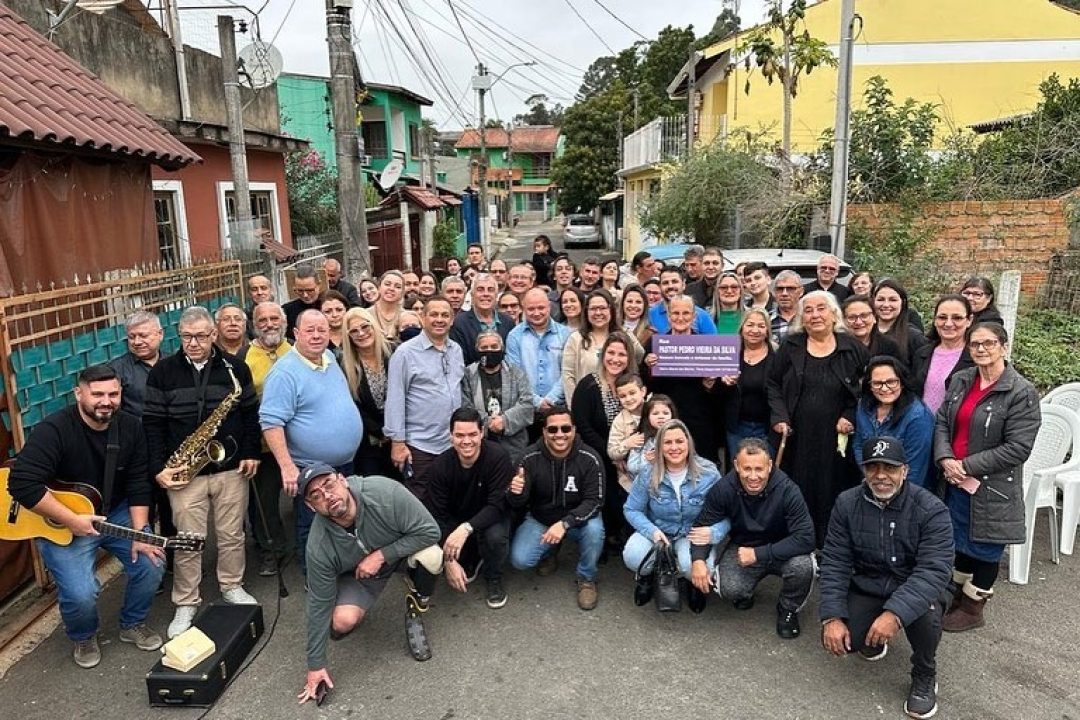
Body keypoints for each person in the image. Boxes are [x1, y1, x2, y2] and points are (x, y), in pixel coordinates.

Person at [8, 365, 165, 668]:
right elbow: (22, 483)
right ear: (79, 394)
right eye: (97, 394)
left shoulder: (131, 428)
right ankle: (83, 635)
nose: (106, 401)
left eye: (114, 394)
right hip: (64, 519)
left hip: (114, 511)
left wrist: (142, 530)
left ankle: (132, 624)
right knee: (81, 593)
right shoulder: (53, 430)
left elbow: (138, 482)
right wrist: (70, 519)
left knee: (152, 563)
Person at [144, 307, 262, 639]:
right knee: (188, 541)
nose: (193, 343)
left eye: (200, 336)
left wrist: (251, 451)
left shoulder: (235, 368)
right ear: (178, 335)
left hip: (229, 467)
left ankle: (232, 585)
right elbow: (151, 424)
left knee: (231, 534)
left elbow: (251, 415)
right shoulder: (163, 373)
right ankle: (185, 602)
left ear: (213, 334)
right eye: (186, 336)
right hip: (183, 472)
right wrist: (159, 469)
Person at [820, 436, 953, 720]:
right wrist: (832, 616)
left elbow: (933, 570)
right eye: (873, 467)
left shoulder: (931, 509)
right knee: (846, 642)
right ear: (864, 470)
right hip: (869, 584)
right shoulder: (846, 503)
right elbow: (834, 561)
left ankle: (924, 674)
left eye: (890, 468)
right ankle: (872, 638)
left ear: (904, 471)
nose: (881, 476)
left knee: (926, 617)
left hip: (913, 584)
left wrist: (894, 615)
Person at [297, 463, 443, 704]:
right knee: (342, 622)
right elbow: (318, 602)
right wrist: (315, 665)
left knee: (432, 556)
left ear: (342, 480)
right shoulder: (318, 545)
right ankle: (353, 604)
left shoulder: (384, 492)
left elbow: (430, 531)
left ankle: (417, 603)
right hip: (361, 574)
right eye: (316, 495)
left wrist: (382, 555)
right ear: (310, 507)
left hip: (400, 554)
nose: (327, 495)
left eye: (329, 484)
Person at [933, 322, 1040, 633]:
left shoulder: (1021, 391)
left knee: (985, 547)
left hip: (992, 486)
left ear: (1004, 346)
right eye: (975, 344)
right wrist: (945, 458)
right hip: (955, 478)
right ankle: (956, 596)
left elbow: (1018, 448)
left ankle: (973, 607)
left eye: (988, 343)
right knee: (959, 540)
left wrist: (965, 465)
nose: (981, 349)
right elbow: (942, 421)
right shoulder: (963, 379)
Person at [261, 309, 364, 576]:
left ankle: (341, 570)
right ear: (295, 334)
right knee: (314, 524)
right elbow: (271, 423)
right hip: (311, 467)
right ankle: (315, 578)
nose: (317, 336)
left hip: (343, 463)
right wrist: (286, 466)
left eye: (323, 330)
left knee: (343, 516)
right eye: (310, 330)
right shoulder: (284, 372)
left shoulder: (328, 357)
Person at [768, 291, 869, 548]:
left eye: (821, 309)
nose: (815, 315)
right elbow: (773, 384)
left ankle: (831, 542)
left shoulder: (852, 347)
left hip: (837, 435)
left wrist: (849, 415)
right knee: (799, 484)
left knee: (833, 486)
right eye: (809, 311)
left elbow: (867, 389)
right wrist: (779, 416)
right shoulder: (792, 346)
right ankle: (800, 539)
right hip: (797, 433)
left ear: (834, 314)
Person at [690, 437, 815, 637]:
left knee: (803, 566)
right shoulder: (723, 488)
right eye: (747, 469)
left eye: (759, 469)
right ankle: (746, 591)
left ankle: (788, 608)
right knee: (728, 589)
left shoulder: (788, 490)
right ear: (736, 466)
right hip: (743, 546)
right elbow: (702, 525)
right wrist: (697, 561)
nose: (753, 476)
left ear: (770, 466)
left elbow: (807, 538)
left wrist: (759, 554)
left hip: (782, 549)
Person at [622, 419, 727, 613]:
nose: (674, 447)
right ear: (660, 447)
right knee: (633, 556)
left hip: (692, 535)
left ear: (689, 442)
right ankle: (647, 576)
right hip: (659, 531)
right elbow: (631, 509)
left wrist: (713, 533)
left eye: (679, 441)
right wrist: (651, 531)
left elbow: (727, 512)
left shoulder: (709, 473)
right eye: (667, 443)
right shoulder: (647, 473)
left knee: (694, 567)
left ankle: (693, 584)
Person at [508, 406, 605, 611]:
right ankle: (550, 551)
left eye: (565, 428)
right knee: (520, 560)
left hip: (579, 519)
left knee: (596, 531)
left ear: (574, 430)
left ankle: (587, 578)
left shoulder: (590, 458)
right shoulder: (528, 458)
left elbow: (595, 501)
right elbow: (517, 504)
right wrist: (515, 493)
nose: (559, 434)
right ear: (544, 432)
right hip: (541, 519)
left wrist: (565, 524)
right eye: (552, 430)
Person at [425, 408, 513, 609]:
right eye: (460, 435)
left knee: (495, 537)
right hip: (456, 522)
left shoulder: (498, 457)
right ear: (451, 437)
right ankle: (474, 555)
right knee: (460, 559)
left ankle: (494, 576)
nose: (466, 441)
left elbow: (498, 505)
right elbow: (436, 516)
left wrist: (466, 529)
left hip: (490, 517)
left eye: (472, 434)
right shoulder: (440, 467)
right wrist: (448, 560)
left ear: (481, 433)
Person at [385, 296, 465, 500]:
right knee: (421, 501)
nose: (440, 319)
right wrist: (398, 442)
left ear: (452, 319)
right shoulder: (405, 353)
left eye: (445, 315)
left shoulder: (456, 350)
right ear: (422, 317)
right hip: (419, 445)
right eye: (434, 314)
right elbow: (395, 399)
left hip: (451, 443)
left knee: (449, 498)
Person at [571, 332, 638, 551]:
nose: (615, 359)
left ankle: (629, 537)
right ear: (603, 355)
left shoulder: (633, 385)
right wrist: (612, 454)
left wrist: (626, 453)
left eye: (622, 354)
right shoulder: (588, 385)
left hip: (630, 454)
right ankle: (605, 537)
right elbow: (583, 426)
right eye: (611, 353)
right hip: (598, 454)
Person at [110, 311, 172, 544]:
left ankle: (173, 562)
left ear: (160, 334)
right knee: (143, 509)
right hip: (137, 453)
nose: (137, 342)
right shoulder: (117, 370)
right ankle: (149, 564)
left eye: (143, 335)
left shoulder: (174, 363)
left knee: (172, 510)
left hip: (171, 450)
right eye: (132, 337)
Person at [243, 301, 293, 576]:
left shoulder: (298, 349)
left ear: (284, 322)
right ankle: (272, 551)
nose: (269, 324)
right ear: (254, 323)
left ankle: (309, 544)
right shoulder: (244, 357)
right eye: (262, 320)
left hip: (298, 441)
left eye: (275, 318)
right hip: (263, 444)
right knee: (264, 502)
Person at [646, 295, 723, 462]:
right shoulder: (654, 343)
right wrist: (649, 367)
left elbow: (719, 393)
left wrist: (711, 383)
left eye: (686, 313)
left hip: (700, 421)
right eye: (675, 313)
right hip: (666, 419)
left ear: (694, 316)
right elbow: (646, 386)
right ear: (668, 316)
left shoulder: (707, 346)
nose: (680, 318)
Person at [854, 356, 935, 489]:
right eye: (877, 383)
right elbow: (858, 445)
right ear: (869, 385)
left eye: (891, 382)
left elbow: (915, 469)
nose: (885, 388)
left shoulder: (919, 416)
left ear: (902, 382)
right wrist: (872, 477)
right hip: (870, 484)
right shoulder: (863, 406)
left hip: (906, 490)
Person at [460, 330, 534, 465]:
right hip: (479, 444)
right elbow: (465, 406)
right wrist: (488, 423)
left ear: (502, 349)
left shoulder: (516, 373)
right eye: (484, 348)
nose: (489, 351)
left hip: (514, 445)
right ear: (477, 350)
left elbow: (527, 404)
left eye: (494, 347)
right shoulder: (468, 375)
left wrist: (504, 421)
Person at [562, 289, 642, 406]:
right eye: (593, 309)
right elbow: (568, 376)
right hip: (587, 405)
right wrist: (576, 407)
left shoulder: (625, 334)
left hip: (623, 404)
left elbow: (640, 357)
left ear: (611, 310)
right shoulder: (576, 339)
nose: (598, 312)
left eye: (603, 308)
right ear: (586, 312)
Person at [341, 307, 395, 477]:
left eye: (365, 327)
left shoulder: (395, 351)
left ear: (374, 326)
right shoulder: (345, 364)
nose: (361, 333)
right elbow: (352, 405)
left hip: (400, 435)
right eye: (354, 331)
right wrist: (379, 431)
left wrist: (393, 429)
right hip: (369, 441)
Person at [506, 288, 572, 427]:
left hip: (559, 408)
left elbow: (567, 371)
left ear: (549, 306)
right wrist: (537, 401)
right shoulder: (514, 336)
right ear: (523, 309)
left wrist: (551, 399)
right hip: (526, 409)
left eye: (541, 307)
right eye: (531, 309)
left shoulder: (566, 334)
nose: (537, 313)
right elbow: (515, 374)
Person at [718, 309, 776, 459]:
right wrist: (722, 382)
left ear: (767, 330)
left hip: (767, 427)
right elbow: (715, 392)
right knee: (738, 470)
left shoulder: (777, 356)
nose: (755, 330)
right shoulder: (729, 353)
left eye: (761, 326)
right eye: (750, 325)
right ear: (742, 327)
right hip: (736, 426)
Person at [912, 294, 974, 414]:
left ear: (969, 321)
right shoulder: (921, 354)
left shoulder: (976, 358)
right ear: (935, 320)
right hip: (923, 427)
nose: (949, 323)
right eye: (942, 317)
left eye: (957, 318)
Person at [450, 273, 513, 365]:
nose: (486, 294)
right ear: (472, 295)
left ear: (496, 296)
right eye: (480, 290)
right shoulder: (459, 323)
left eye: (490, 290)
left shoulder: (508, 322)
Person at [607, 373, 647, 493]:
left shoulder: (655, 410)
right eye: (623, 396)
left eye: (632, 393)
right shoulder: (619, 421)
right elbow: (612, 451)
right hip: (631, 482)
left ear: (643, 391)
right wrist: (627, 444)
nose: (628, 399)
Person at [873, 278, 927, 367]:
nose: (886, 305)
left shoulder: (913, 337)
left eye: (893, 300)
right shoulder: (865, 332)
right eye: (881, 299)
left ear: (903, 302)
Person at [649, 266, 718, 335]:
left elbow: (713, 343)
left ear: (683, 284)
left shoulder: (702, 316)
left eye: (674, 281)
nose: (670, 286)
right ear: (660, 287)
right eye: (665, 283)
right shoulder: (650, 315)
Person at [626, 394, 678, 481]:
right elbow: (632, 468)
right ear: (647, 416)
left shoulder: (679, 437)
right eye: (655, 413)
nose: (661, 416)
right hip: (645, 486)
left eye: (665, 413)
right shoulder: (640, 438)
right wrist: (646, 460)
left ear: (672, 415)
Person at [842, 295, 903, 361]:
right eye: (852, 317)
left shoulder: (889, 346)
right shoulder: (838, 348)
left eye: (864, 316)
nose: (858, 322)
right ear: (844, 320)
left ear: (874, 317)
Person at [283, 264, 323, 339]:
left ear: (319, 285)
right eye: (300, 291)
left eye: (310, 290)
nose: (305, 295)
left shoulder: (329, 307)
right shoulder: (287, 310)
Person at [370, 270, 405, 341]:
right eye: (387, 284)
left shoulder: (405, 316)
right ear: (379, 287)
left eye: (397, 287)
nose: (391, 289)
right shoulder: (366, 314)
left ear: (402, 292)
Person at [771, 270, 803, 343]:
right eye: (780, 289)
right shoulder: (765, 321)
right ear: (774, 292)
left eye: (790, 289)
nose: (784, 293)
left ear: (801, 291)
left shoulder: (809, 318)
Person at [620, 284, 654, 351]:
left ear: (644, 306)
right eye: (629, 301)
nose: (633, 305)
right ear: (623, 303)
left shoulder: (651, 334)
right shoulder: (612, 329)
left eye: (638, 302)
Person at [547, 255, 577, 320]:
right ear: (554, 276)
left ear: (574, 275)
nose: (564, 272)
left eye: (568, 269)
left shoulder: (582, 298)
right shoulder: (546, 299)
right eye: (559, 269)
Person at [320, 290, 348, 358]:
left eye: (339, 310)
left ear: (346, 310)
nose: (334, 315)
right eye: (328, 311)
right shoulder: (317, 339)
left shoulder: (356, 333)